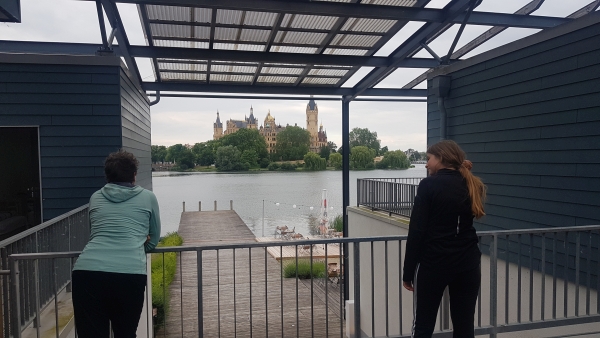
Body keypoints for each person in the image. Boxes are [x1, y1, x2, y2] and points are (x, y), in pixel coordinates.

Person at [72, 150, 161, 338]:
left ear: (107, 176)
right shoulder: (148, 197)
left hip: (87, 272)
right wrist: (136, 247)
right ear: (134, 175)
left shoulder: (95, 197)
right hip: (129, 274)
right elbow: (154, 239)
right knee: (125, 333)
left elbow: (94, 233)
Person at [402, 140, 486, 338]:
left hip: (434, 264)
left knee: (423, 326)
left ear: (441, 158)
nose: (426, 164)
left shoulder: (428, 185)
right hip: (468, 265)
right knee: (465, 327)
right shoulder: (470, 183)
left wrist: (408, 272)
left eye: (429, 159)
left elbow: (417, 231)